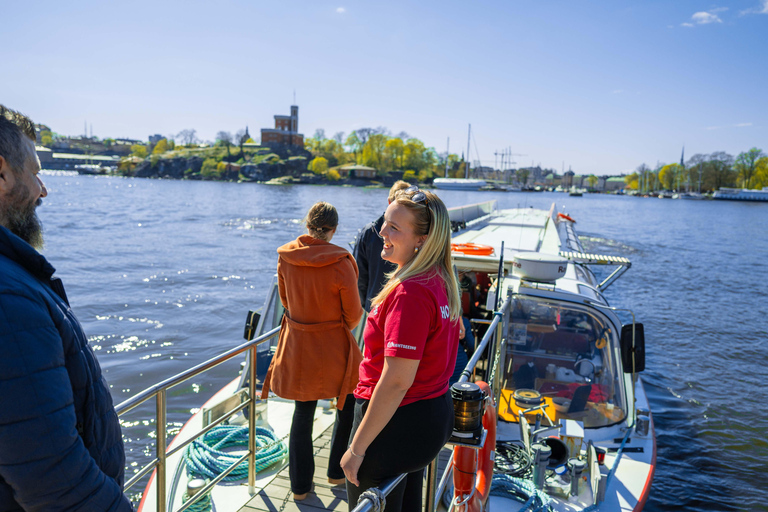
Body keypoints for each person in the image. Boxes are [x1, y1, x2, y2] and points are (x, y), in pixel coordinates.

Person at [0, 105, 133, 510]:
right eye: (35, 172)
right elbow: (57, 482)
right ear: (2, 174)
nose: (43, 190)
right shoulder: (8, 299)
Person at [341, 187, 461, 512]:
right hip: (429, 417)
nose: (381, 231)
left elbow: (396, 381)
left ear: (422, 239)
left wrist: (356, 449)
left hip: (393, 426)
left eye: (394, 227)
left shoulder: (410, 292)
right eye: (385, 222)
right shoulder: (439, 279)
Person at [261, 201, 364, 501]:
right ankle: (335, 473)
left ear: (307, 225)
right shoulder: (341, 262)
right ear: (334, 230)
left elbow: (285, 301)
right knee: (347, 405)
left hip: (298, 345)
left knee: (303, 412)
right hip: (334, 347)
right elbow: (354, 315)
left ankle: (300, 489)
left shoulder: (286, 257)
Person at [353, 180, 410, 312]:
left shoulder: (368, 232)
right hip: (400, 307)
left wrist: (366, 305)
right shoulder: (412, 235)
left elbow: (358, 276)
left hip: (374, 308)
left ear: (389, 201)